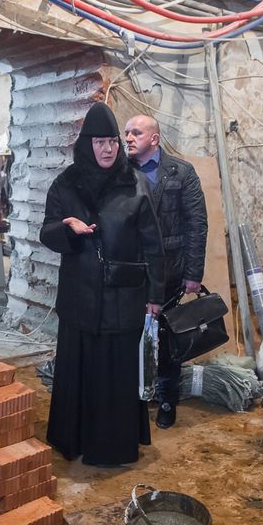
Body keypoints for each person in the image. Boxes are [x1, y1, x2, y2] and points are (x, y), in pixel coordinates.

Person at [41, 101, 165, 466]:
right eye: (100, 142)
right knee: (79, 371)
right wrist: (67, 229)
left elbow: (153, 244)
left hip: (123, 297)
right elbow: (46, 232)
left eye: (112, 141)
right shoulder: (66, 184)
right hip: (79, 297)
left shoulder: (135, 184)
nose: (108, 149)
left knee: (115, 374)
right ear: (88, 144)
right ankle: (74, 440)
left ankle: (113, 447)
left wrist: (155, 294)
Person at [124, 114, 207, 429]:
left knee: (168, 340)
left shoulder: (181, 173)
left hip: (171, 271)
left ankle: (167, 401)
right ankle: (132, 401)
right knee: (131, 336)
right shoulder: (121, 172)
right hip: (132, 271)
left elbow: (197, 224)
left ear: (154, 139)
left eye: (136, 133)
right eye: (127, 133)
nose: (128, 138)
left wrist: (193, 273)